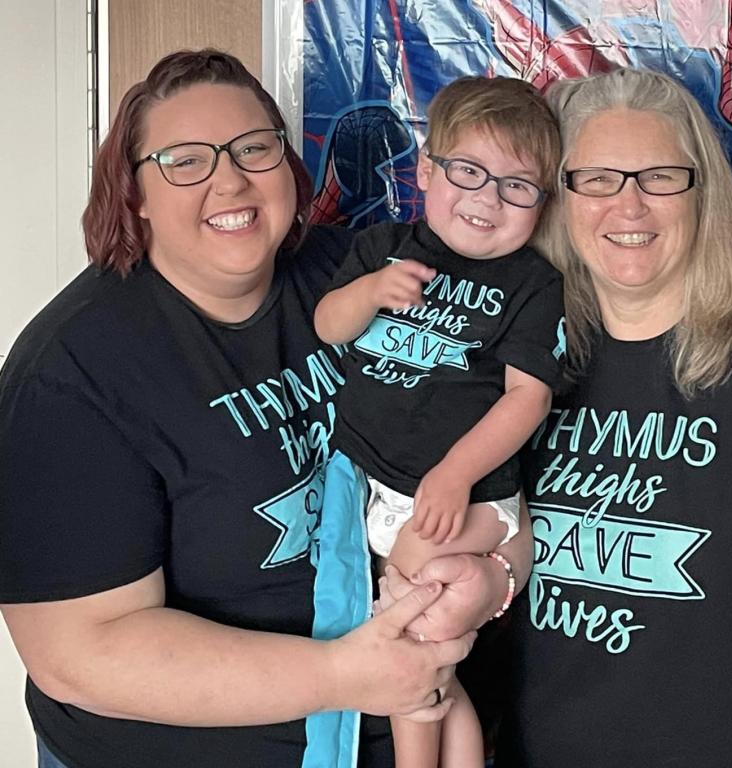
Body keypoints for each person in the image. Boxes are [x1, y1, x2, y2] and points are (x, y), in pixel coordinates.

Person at [0, 49, 529, 768]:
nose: (229, 180)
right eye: (185, 160)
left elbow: (505, 442)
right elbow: (78, 655)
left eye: (254, 148)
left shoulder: (365, 276)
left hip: (414, 729)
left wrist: (492, 579)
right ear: (134, 195)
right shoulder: (71, 375)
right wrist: (344, 674)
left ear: (289, 167)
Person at [488, 67, 732, 767]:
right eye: (597, 179)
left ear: (702, 195)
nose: (627, 207)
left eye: (658, 177)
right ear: (559, 201)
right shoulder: (525, 369)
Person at [313, 76, 564, 768]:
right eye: (468, 171)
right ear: (426, 169)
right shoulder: (383, 248)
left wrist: (455, 474)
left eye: (517, 187)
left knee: (412, 634)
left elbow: (527, 398)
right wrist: (367, 292)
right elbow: (327, 326)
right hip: (376, 487)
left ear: (541, 205)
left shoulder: (532, 285)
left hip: (469, 495)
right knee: (432, 662)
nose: (487, 198)